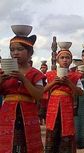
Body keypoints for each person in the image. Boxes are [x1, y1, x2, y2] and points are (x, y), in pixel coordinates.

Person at [0, 25, 44, 153]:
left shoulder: (36, 74)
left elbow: (38, 95)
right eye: (12, 50)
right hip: (7, 113)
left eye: (20, 49)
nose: (15, 53)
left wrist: (23, 79)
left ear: (30, 52)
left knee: (27, 144)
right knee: (8, 145)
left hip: (28, 113)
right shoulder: (3, 72)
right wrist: (2, 79)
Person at [44, 42, 84, 153]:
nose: (65, 60)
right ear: (57, 60)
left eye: (67, 58)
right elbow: (41, 91)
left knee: (66, 131)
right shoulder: (49, 74)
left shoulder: (75, 76)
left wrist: (69, 83)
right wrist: (53, 83)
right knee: (52, 130)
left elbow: (81, 92)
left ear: (71, 60)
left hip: (67, 107)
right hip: (52, 107)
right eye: (62, 58)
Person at [39, 60, 49, 125]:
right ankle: (40, 120)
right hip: (40, 92)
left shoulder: (49, 74)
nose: (43, 68)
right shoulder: (38, 74)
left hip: (47, 92)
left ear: (47, 68)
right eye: (42, 67)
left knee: (46, 107)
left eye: (44, 67)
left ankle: (45, 120)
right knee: (40, 107)